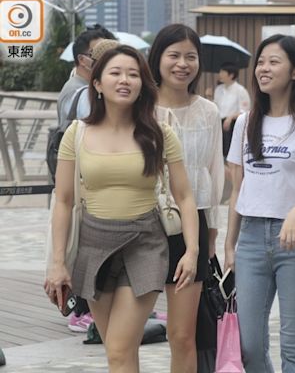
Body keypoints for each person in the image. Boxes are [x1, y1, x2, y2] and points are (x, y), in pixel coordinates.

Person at [45, 45, 199, 373]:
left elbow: (185, 196)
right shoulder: (77, 132)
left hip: (144, 243)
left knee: (117, 348)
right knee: (120, 354)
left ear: (143, 83)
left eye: (133, 74)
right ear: (97, 83)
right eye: (115, 73)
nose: (125, 80)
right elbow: (63, 200)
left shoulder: (159, 133)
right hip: (93, 245)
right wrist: (57, 263)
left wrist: (192, 250)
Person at [224, 34, 295, 373]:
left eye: (274, 62)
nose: (264, 68)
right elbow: (237, 189)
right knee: (249, 346)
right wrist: (230, 245)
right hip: (250, 240)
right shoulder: (246, 122)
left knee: (293, 344)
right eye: (261, 62)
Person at [148, 23, 224, 373]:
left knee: (183, 335)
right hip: (144, 223)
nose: (182, 64)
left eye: (190, 56)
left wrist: (211, 235)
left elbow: (214, 172)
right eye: (174, 55)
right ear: (158, 58)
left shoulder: (208, 111)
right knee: (127, 333)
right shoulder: (140, 107)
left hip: (192, 224)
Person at [56, 24, 116, 333]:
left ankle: (84, 307)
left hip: (88, 187)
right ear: (84, 59)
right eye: (100, 53)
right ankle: (81, 309)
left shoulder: (79, 89)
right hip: (85, 187)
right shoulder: (81, 94)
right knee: (82, 244)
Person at [57, 24, 116, 126]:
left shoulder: (92, 86)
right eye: (97, 54)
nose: (106, 59)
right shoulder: (75, 91)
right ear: (82, 60)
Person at [213, 61, 251, 158]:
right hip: (219, 123)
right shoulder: (219, 89)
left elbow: (245, 111)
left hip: (232, 124)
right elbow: (215, 107)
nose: (220, 75)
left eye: (223, 72)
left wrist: (230, 117)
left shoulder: (240, 90)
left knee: (229, 151)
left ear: (231, 75)